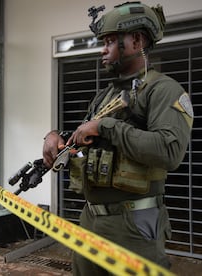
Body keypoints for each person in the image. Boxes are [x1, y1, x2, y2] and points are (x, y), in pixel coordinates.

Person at [42, 2, 193, 275]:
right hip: (90, 219)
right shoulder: (104, 96)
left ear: (136, 41)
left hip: (132, 225)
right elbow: (86, 139)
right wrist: (55, 137)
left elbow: (169, 151)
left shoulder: (163, 90)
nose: (103, 49)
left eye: (111, 41)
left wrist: (107, 127)